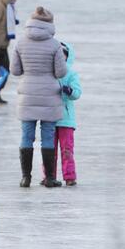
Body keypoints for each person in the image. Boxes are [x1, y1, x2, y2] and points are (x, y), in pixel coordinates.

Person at [11, 6, 67, 188]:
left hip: (27, 95)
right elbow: (60, 72)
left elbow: (15, 70)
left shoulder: (20, 43)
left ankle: (25, 177)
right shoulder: (55, 44)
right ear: (50, 23)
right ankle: (50, 178)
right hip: (49, 96)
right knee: (48, 136)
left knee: (26, 136)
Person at [50, 42, 82, 186]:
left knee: (67, 149)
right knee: (50, 150)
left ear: (67, 57)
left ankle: (69, 177)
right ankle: (49, 176)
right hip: (49, 118)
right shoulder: (49, 72)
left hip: (66, 120)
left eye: (63, 55)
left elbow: (77, 93)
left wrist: (70, 91)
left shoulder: (71, 74)